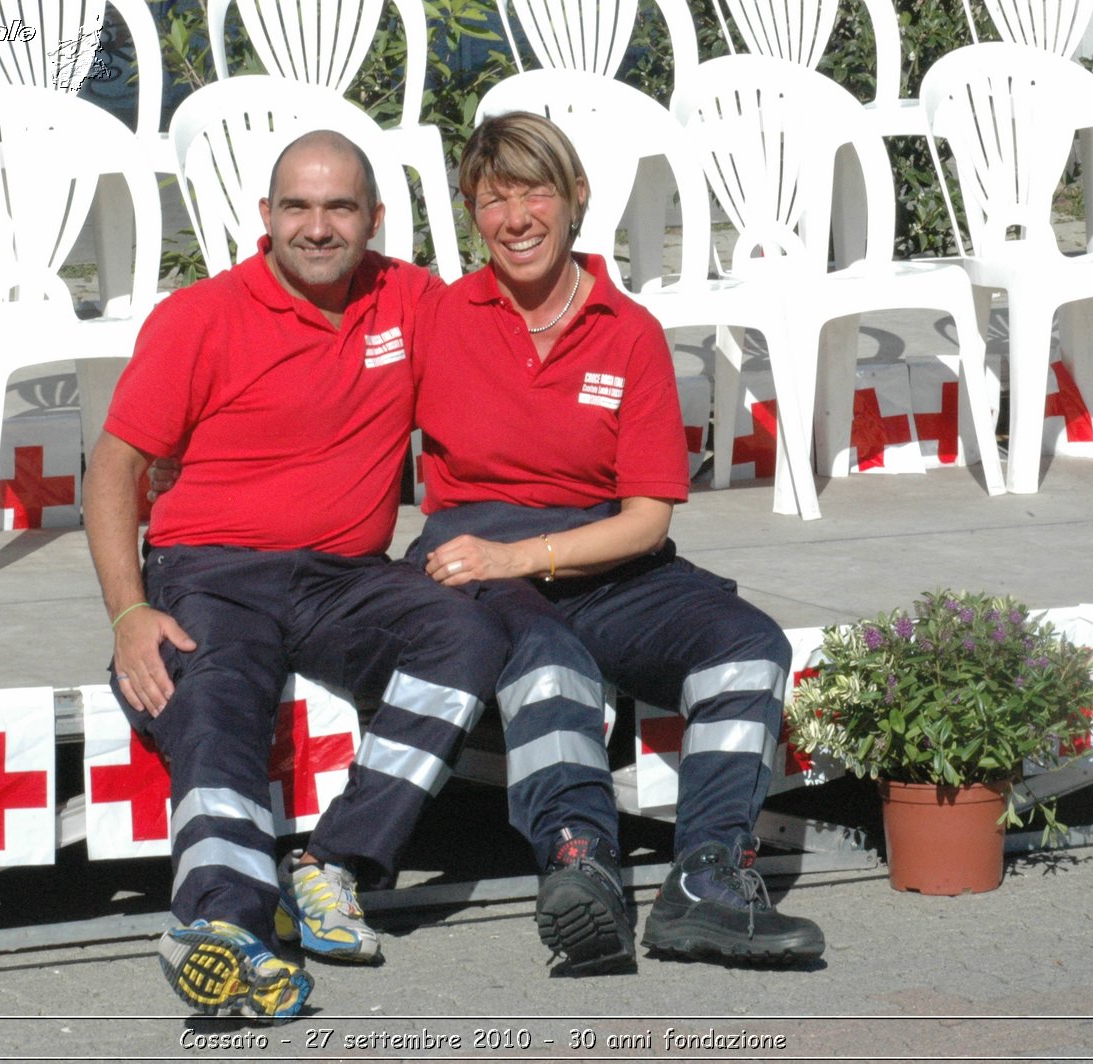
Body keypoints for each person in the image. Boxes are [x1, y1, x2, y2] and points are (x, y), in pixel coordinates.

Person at [82, 129, 509, 1021]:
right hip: (214, 570)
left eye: (340, 207)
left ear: (374, 221)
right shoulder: (198, 316)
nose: (318, 227)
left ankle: (334, 866)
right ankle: (228, 930)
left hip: (344, 577)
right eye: (298, 207)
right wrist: (128, 611)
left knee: (465, 634)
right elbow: (115, 470)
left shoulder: (411, 301)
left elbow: (518, 341)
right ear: (266, 218)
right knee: (209, 699)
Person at [405, 111, 826, 974]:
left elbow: (646, 519)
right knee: (550, 659)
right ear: (471, 215)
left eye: (534, 193)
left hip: (601, 555)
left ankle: (705, 883)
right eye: (492, 200)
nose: (515, 219)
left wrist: (527, 557)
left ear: (576, 199)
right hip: (473, 557)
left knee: (748, 647)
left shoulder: (627, 330)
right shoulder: (439, 316)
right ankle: (580, 862)